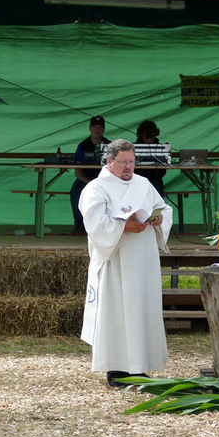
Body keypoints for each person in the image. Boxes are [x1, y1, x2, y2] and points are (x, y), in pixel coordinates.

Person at [79, 138, 173, 387]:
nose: (128, 167)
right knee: (117, 311)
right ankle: (117, 369)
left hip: (142, 261)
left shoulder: (143, 184)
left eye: (132, 162)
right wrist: (123, 226)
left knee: (140, 310)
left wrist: (158, 218)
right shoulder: (96, 189)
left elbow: (164, 208)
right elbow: (95, 223)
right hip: (116, 262)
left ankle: (140, 367)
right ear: (109, 161)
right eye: (123, 162)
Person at [70, 115, 109, 235]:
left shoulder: (111, 145)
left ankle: (109, 225)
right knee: (75, 191)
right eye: (94, 127)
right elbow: (77, 171)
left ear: (103, 129)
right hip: (86, 180)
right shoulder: (82, 146)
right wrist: (90, 182)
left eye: (100, 127)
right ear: (90, 129)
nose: (97, 130)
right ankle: (79, 225)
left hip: (105, 181)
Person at [136, 119, 166, 195]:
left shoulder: (160, 147)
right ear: (141, 136)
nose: (149, 140)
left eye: (151, 137)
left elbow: (163, 171)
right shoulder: (133, 148)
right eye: (147, 137)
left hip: (155, 182)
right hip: (138, 182)